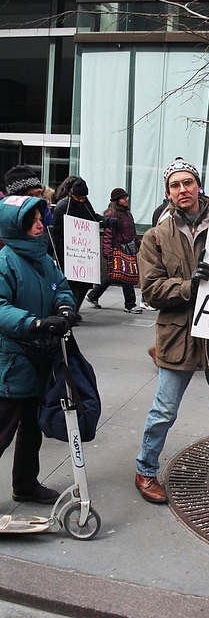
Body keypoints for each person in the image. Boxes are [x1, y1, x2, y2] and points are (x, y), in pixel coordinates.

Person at [135, 156, 209, 507]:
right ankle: (145, 469)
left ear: (199, 185)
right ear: (168, 192)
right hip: (178, 337)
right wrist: (189, 286)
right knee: (164, 411)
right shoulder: (155, 237)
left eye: (188, 182)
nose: (182, 189)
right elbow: (152, 291)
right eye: (175, 184)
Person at [0, 195, 77, 504]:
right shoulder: (5, 261)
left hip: (40, 358)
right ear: (14, 225)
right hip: (14, 361)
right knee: (3, 432)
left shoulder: (44, 258)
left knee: (31, 429)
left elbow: (62, 287)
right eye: (30, 220)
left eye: (39, 219)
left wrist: (65, 308)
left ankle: (25, 485)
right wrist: (35, 324)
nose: (38, 225)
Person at [51, 177, 117, 315]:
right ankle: (69, 312)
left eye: (83, 197)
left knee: (84, 285)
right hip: (68, 252)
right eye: (78, 197)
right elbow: (56, 233)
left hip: (84, 253)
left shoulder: (86, 204)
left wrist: (107, 221)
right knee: (71, 286)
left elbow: (93, 217)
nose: (81, 200)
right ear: (71, 193)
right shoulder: (63, 207)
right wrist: (60, 253)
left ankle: (75, 310)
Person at [86, 187, 142, 313]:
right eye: (123, 198)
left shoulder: (127, 213)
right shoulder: (111, 214)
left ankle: (93, 295)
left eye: (126, 197)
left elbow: (132, 231)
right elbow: (108, 234)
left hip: (128, 247)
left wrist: (139, 243)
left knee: (113, 276)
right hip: (118, 249)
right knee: (126, 275)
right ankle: (130, 304)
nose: (126, 200)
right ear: (117, 200)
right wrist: (107, 251)